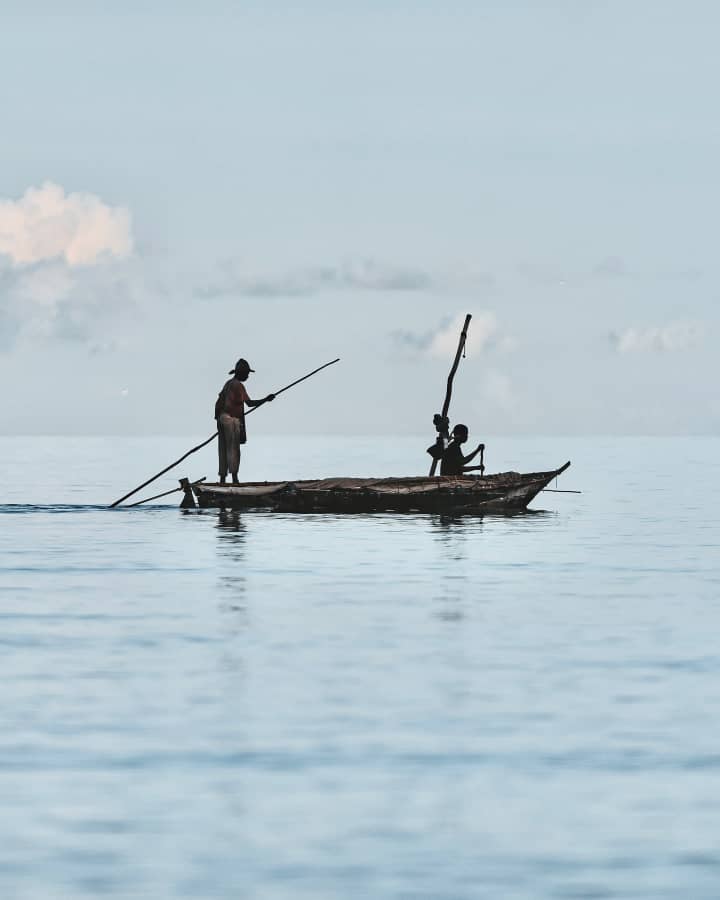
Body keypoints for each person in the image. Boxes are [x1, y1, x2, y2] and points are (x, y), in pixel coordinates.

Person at [215, 358, 275, 484]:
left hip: (221, 418)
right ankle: (235, 480)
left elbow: (219, 402)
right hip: (231, 420)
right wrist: (266, 399)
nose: (248, 376)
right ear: (241, 373)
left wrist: (220, 420)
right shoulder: (238, 385)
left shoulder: (228, 383)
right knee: (233, 449)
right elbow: (249, 403)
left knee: (223, 449)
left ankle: (222, 480)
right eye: (246, 373)